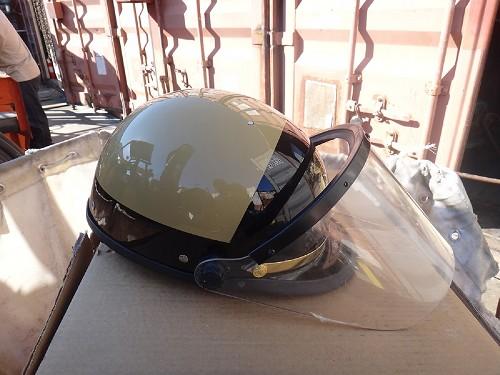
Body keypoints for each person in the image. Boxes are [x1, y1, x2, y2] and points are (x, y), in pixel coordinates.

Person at [0, 10, 52, 148]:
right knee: (31, 115)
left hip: (21, 74)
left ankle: (44, 151)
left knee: (32, 118)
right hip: (21, 71)